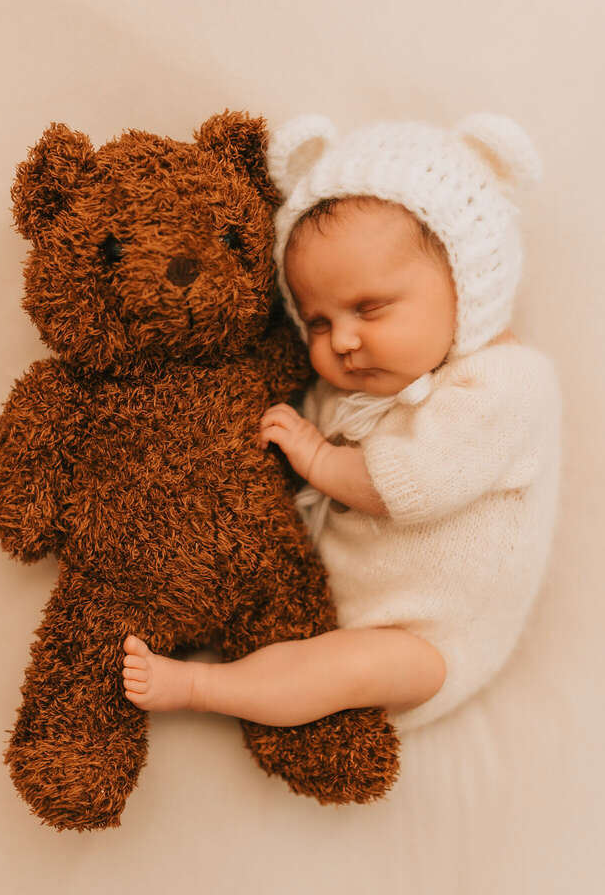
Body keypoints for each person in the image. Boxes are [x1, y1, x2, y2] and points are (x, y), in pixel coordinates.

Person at [121, 112, 562, 734]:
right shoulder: (348, 386)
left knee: (344, 668)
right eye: (319, 322)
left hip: (431, 641)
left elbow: (413, 483)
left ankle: (199, 685)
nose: (344, 340)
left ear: (468, 287)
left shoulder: (506, 383)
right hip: (325, 598)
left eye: (369, 308)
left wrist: (318, 458)